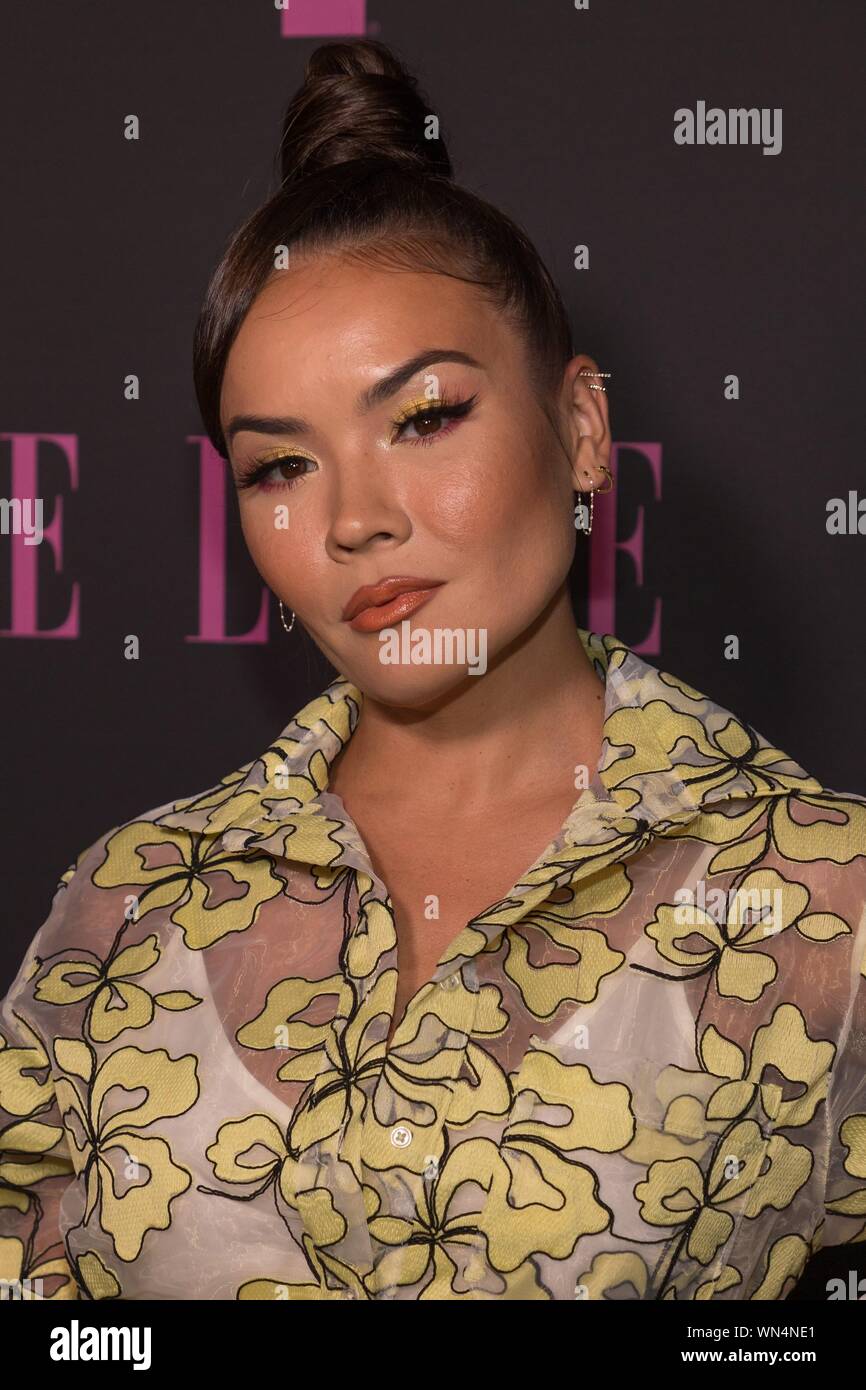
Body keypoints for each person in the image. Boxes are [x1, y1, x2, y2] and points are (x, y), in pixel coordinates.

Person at [2, 38, 864, 1303]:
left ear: (579, 430)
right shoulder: (131, 900)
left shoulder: (820, 901)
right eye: (278, 467)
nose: (353, 518)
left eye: (422, 418)